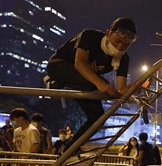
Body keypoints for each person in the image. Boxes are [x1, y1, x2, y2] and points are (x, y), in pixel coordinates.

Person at [44, 17, 137, 147]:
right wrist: (102, 85)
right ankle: (55, 82)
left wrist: (132, 89)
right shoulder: (90, 35)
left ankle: (71, 147)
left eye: (126, 45)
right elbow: (80, 63)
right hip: (60, 66)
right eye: (117, 41)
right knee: (100, 84)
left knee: (98, 117)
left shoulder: (123, 58)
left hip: (85, 80)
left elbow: (121, 89)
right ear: (108, 33)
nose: (120, 47)